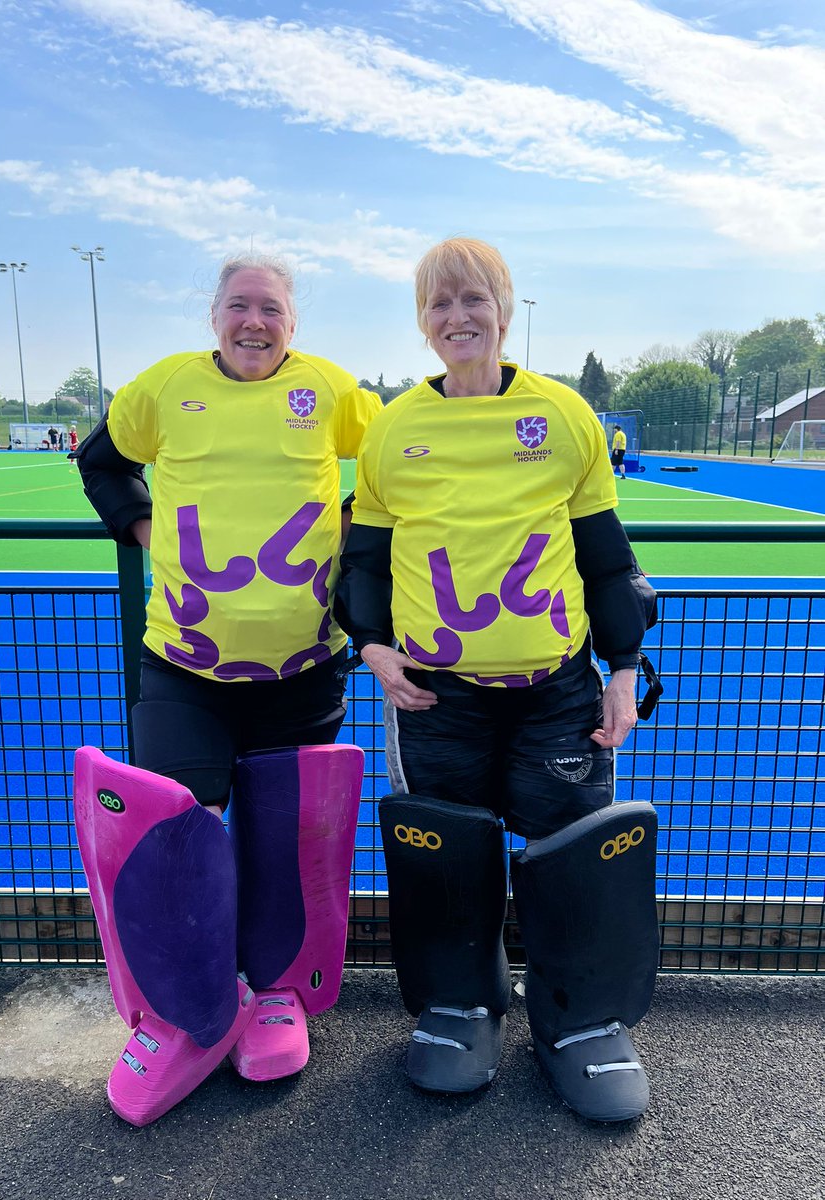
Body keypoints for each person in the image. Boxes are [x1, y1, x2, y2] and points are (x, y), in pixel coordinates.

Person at [335, 237, 661, 1123]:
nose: (458, 317)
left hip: (556, 690)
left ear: (504, 310)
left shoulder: (564, 415)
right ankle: (461, 1006)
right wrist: (373, 647)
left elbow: (606, 561)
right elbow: (364, 558)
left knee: (571, 855)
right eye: (440, 303)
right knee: (448, 854)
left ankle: (578, 1019)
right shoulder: (394, 428)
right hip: (437, 698)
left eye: (474, 299)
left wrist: (622, 670)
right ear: (422, 321)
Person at [72, 252, 381, 1126]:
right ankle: (189, 1012)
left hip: (303, 668)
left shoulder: (332, 391)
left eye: (271, 308)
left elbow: (398, 467)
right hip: (184, 666)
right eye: (240, 305)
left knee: (286, 838)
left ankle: (276, 993)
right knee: (177, 831)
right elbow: (100, 461)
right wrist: (140, 524)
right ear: (214, 314)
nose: (255, 322)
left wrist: (355, 530)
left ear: (293, 322)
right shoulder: (165, 388)